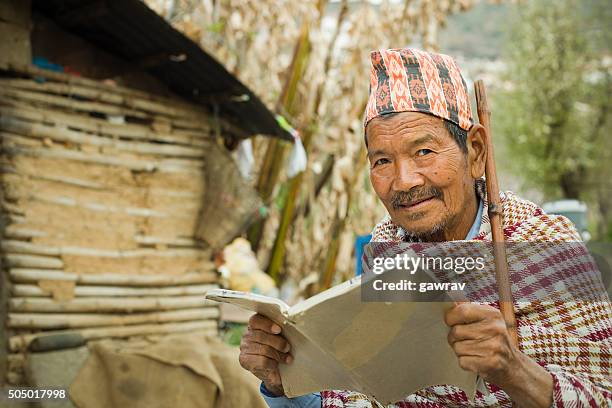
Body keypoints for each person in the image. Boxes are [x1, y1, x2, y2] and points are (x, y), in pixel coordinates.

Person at [238, 47, 612, 407]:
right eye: (382, 160)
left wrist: (514, 370)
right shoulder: (386, 258)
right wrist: (284, 378)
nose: (404, 181)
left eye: (424, 152)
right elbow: (365, 394)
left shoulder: (547, 250)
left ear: (476, 152)